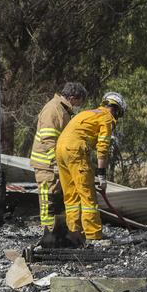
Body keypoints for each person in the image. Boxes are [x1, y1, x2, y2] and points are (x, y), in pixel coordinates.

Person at [55, 92, 127, 242]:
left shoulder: (88, 113)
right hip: (75, 150)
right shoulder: (106, 117)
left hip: (60, 149)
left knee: (71, 195)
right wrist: (102, 175)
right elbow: (102, 147)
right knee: (87, 196)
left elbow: (89, 139)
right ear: (116, 109)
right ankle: (93, 236)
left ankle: (73, 233)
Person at [30, 82, 87, 247]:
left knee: (57, 199)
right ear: (73, 98)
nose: (78, 107)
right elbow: (48, 139)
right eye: (78, 103)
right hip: (47, 165)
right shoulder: (53, 109)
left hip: (55, 165)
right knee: (48, 199)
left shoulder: (63, 110)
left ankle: (57, 234)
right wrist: (55, 163)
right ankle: (48, 236)